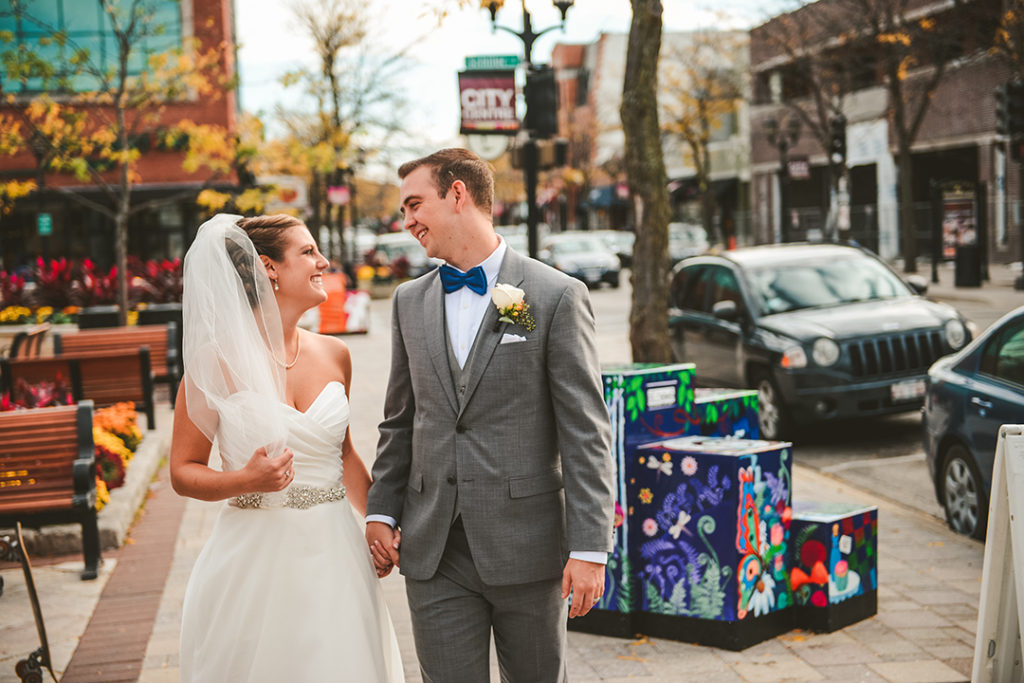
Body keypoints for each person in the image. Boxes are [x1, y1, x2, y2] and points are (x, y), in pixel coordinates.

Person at [366, 148, 615, 682]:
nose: (406, 221)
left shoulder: (554, 296)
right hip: (433, 548)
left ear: (458, 194)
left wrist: (591, 546)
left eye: (415, 204)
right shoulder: (409, 301)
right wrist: (380, 512)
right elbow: (400, 419)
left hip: (527, 546)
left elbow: (585, 431)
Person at [170, 213, 404, 682]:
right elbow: (182, 470)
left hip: (335, 554)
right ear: (268, 267)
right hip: (255, 560)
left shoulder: (335, 354)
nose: (324, 261)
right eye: (308, 252)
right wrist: (243, 480)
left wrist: (380, 519)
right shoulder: (212, 364)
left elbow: (343, 455)